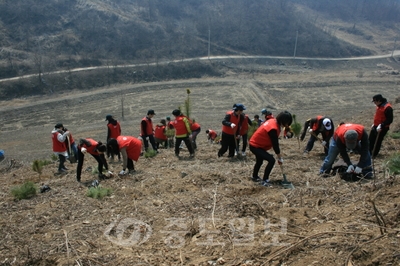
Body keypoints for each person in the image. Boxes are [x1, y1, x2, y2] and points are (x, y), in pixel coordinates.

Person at [249, 111, 293, 186]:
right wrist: (279, 157)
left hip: (258, 145)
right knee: (271, 160)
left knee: (259, 161)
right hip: (255, 146)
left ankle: (254, 176)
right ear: (283, 120)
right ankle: (265, 180)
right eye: (287, 122)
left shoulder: (273, 121)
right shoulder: (273, 128)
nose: (287, 125)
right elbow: (275, 144)